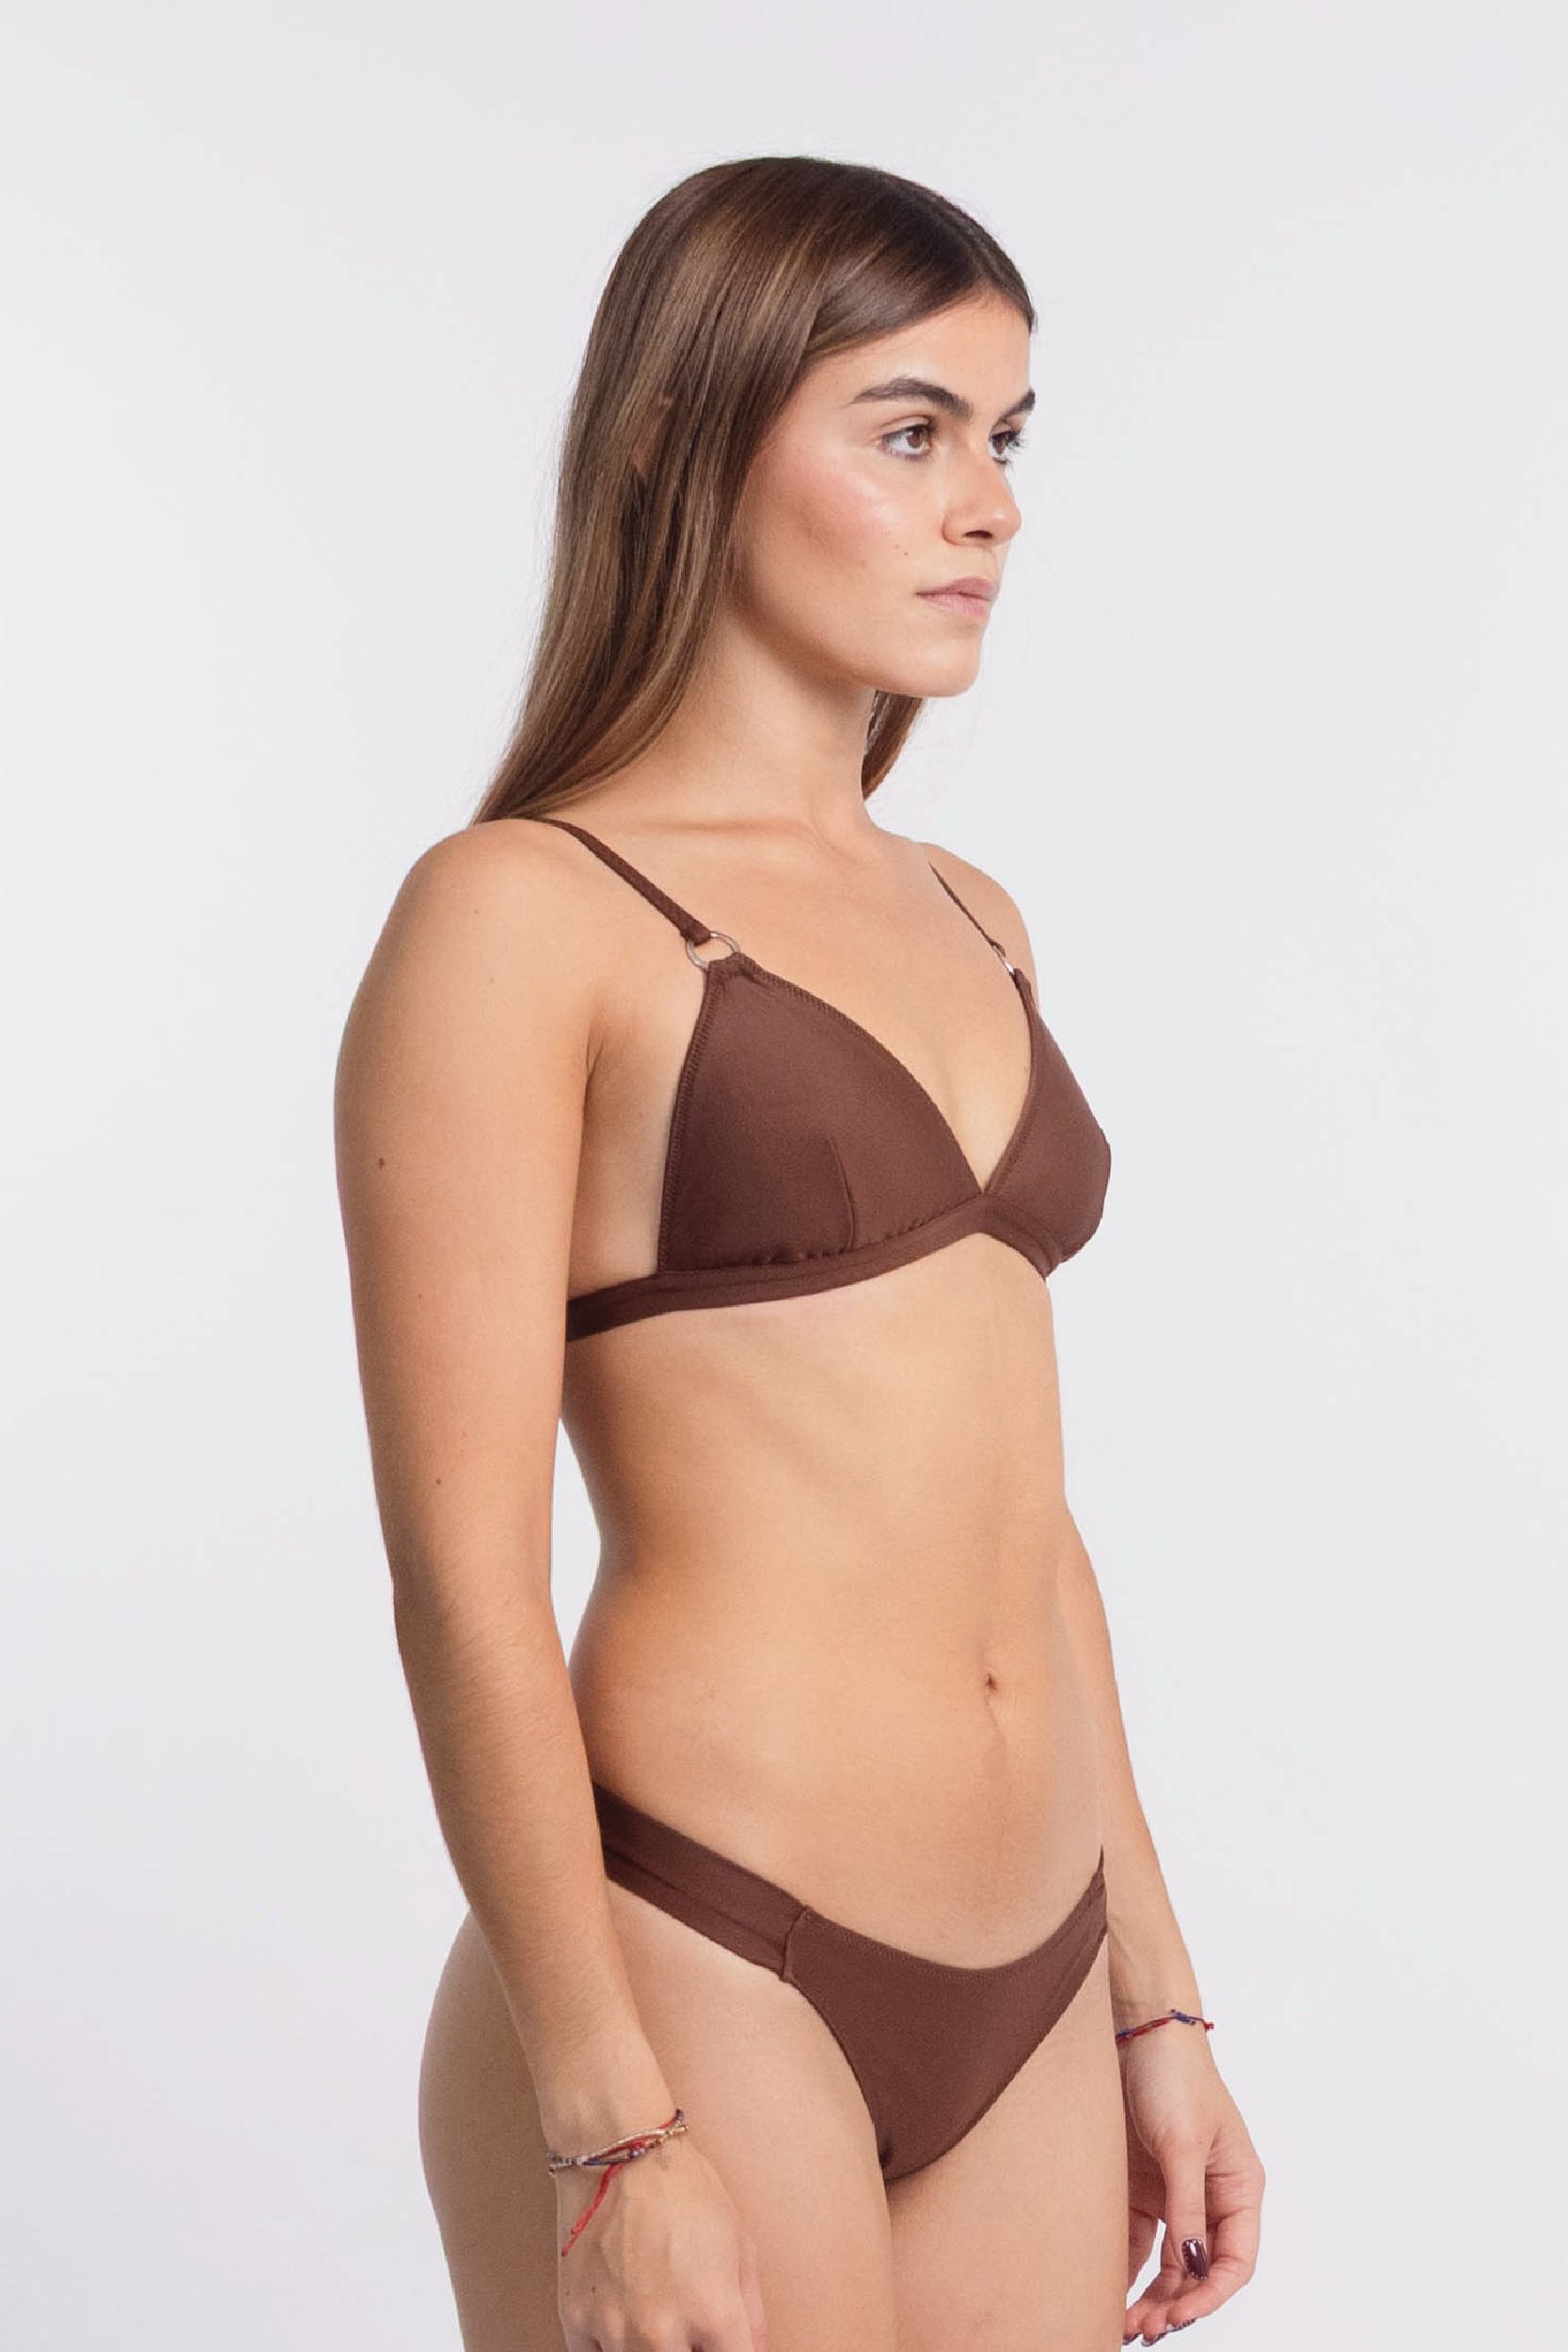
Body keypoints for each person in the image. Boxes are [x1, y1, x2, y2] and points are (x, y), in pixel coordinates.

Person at [333, 155, 1264, 2352]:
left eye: (1003, 436)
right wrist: (607, 2119)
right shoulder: (518, 915)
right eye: (906, 430)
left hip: (1032, 1975)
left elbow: (1018, 1517)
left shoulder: (970, 913)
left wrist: (1153, 1992)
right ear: (679, 436)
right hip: (697, 1951)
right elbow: (461, 1575)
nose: (986, 507)